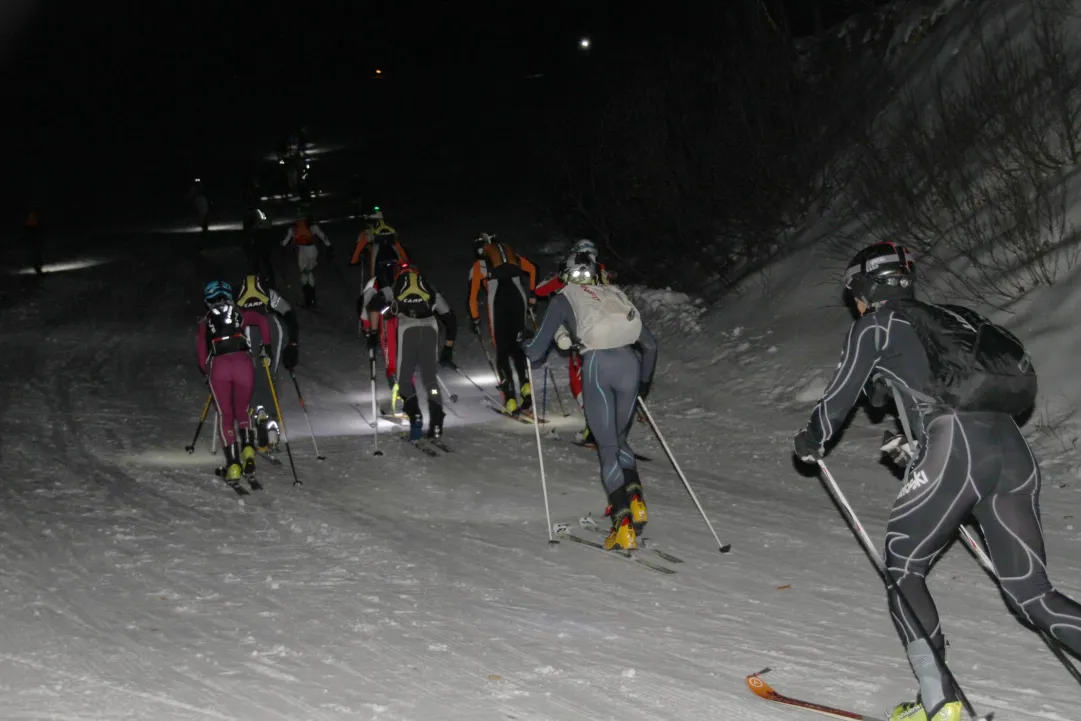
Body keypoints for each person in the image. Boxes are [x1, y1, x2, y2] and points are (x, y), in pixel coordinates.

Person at [791, 242, 1081, 721]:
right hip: (1012, 452)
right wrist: (914, 445)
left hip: (957, 447)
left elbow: (839, 397)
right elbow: (919, 393)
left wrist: (811, 438)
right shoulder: (947, 320)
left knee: (903, 568)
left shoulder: (877, 325)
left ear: (867, 284)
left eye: (854, 293)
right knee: (1033, 594)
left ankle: (937, 701)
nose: (854, 304)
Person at [523, 254, 657, 551]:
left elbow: (535, 353)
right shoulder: (613, 294)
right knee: (619, 438)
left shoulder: (563, 299)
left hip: (598, 366)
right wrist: (643, 386)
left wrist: (524, 342)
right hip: (629, 365)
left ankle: (623, 525)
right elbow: (650, 345)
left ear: (566, 276)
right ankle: (635, 499)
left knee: (607, 446)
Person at [365, 259, 457, 440]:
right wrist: (448, 348)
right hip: (430, 327)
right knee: (430, 379)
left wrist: (374, 333)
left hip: (408, 329)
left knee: (404, 379)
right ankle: (437, 422)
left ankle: (415, 415)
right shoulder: (428, 287)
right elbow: (450, 318)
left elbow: (374, 305)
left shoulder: (396, 285)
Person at [535, 241, 614, 441]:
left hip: (580, 332)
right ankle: (605, 423)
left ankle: (595, 425)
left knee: (579, 378)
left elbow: (540, 290)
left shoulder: (571, 274)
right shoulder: (601, 272)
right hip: (609, 331)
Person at [196, 281, 271, 487]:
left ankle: (233, 464)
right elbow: (261, 321)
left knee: (225, 415)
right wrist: (266, 346)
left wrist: (208, 371)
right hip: (243, 364)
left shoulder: (204, 322)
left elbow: (202, 359)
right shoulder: (240, 313)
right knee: (242, 410)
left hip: (220, 366)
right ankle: (248, 447)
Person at [468, 236, 538, 414]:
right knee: (518, 342)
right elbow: (532, 269)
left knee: (502, 349)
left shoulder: (479, 266)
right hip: (518, 296)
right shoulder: (512, 257)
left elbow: (472, 298)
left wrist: (475, 319)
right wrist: (532, 294)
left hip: (498, 299)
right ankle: (525, 386)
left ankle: (510, 399)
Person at [235, 273, 300, 450]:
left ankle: (258, 414)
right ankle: (271, 425)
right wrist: (293, 342)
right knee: (270, 373)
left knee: (251, 375)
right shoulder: (269, 294)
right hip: (272, 328)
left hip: (247, 329)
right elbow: (289, 314)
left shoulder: (237, 295)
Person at [280, 209, 333, 307]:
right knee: (310, 273)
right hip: (312, 251)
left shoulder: (293, 229)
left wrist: (282, 248)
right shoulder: (312, 227)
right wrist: (329, 246)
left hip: (302, 252)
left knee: (304, 275)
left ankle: (308, 300)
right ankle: (312, 299)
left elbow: (284, 242)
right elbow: (323, 236)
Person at [350, 207, 408, 288]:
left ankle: (355, 260)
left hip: (378, 241)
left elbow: (363, 241)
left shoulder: (369, 226)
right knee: (397, 246)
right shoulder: (386, 223)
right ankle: (405, 262)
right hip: (391, 240)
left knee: (366, 246)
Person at [23, 206, 43, 276]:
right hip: (34, 238)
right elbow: (30, 228)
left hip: (35, 238)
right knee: (36, 254)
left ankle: (39, 270)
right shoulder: (32, 217)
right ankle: (38, 270)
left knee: (37, 254)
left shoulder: (33, 217)